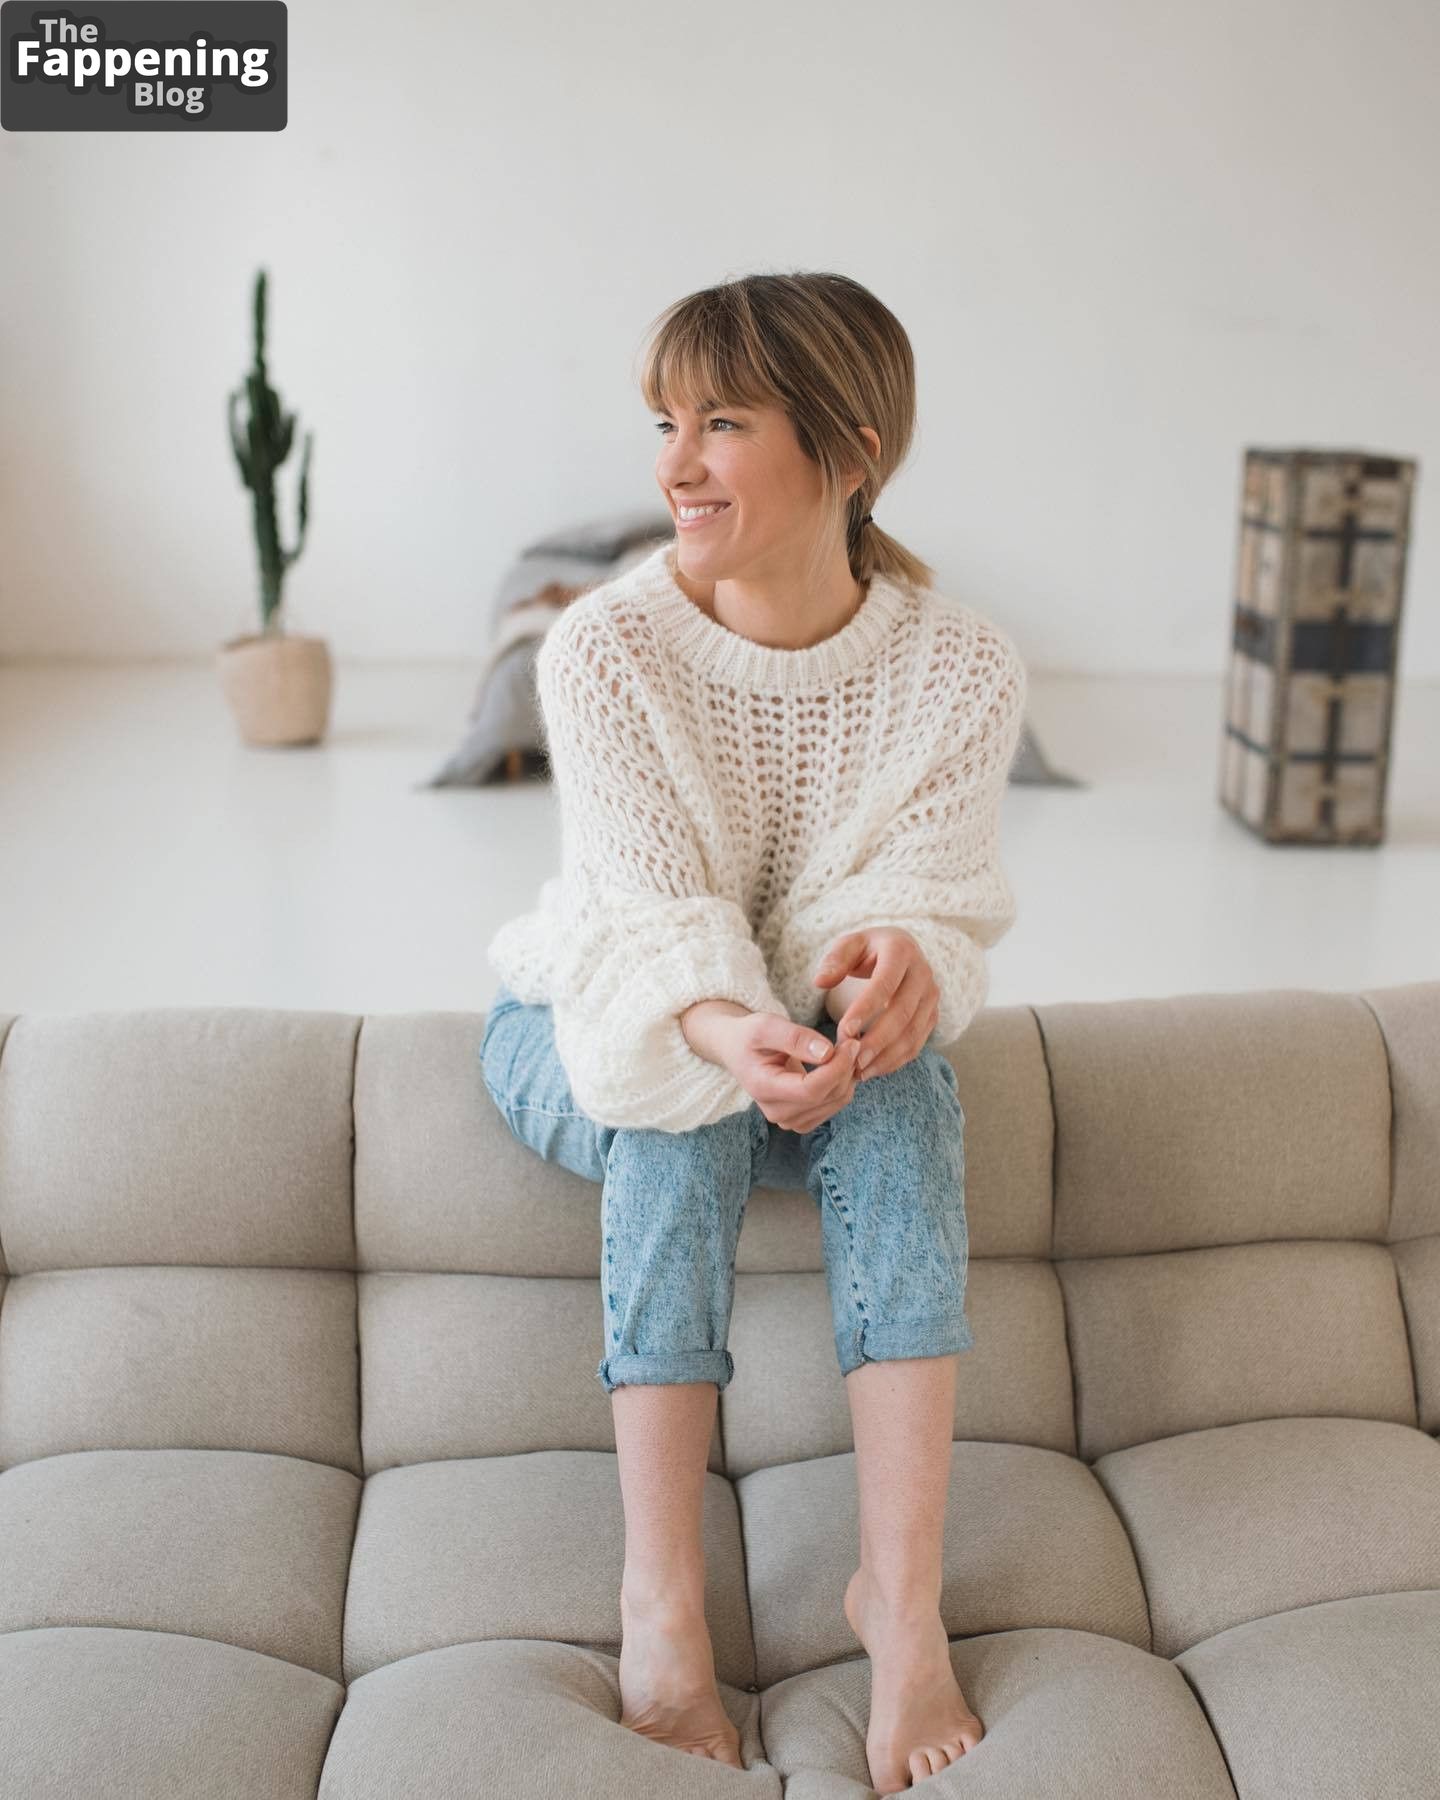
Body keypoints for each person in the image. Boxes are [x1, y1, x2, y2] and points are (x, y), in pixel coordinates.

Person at [482, 270, 1028, 1793]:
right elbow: (653, 928)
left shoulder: (961, 668)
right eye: (666, 423)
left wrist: (899, 970)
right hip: (586, 1014)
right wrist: (725, 1033)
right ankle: (661, 1611)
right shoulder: (604, 649)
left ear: (851, 449)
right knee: (683, 1109)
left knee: (912, 1098)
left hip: (800, 1048)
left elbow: (932, 900)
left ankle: (899, 1609)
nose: (675, 464)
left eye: (720, 423)